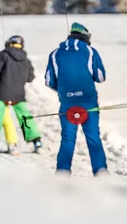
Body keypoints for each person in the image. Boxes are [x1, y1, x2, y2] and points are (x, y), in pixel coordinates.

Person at [45, 22, 107, 176]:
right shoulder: (90, 51)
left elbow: (48, 81)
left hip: (67, 103)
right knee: (93, 137)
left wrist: (63, 90)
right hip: (88, 102)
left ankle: (62, 174)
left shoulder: (54, 54)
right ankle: (101, 173)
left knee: (67, 138)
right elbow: (100, 76)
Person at [0, 35, 42, 154]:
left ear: (10, 43)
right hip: (18, 93)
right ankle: (37, 142)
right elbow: (30, 77)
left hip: (2, 92)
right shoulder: (26, 60)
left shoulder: (3, 55)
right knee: (25, 117)